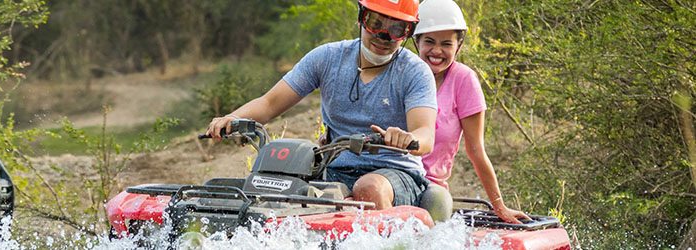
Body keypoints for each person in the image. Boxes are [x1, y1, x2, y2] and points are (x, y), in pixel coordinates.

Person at [206, 0, 437, 210]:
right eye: (375, 23)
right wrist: (232, 118)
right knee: (276, 192)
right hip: (334, 169)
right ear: (361, 17)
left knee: (369, 188)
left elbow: (425, 135)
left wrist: (407, 138)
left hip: (396, 173)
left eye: (397, 29)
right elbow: (269, 103)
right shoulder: (327, 58)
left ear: (409, 32)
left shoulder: (415, 72)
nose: (384, 36)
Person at [412, 0, 530, 223]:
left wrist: (499, 206)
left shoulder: (463, 80)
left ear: (459, 45)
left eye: (446, 44)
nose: (437, 51)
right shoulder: (401, 71)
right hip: (390, 176)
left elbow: (476, 150)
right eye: (429, 41)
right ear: (416, 40)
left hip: (428, 188)